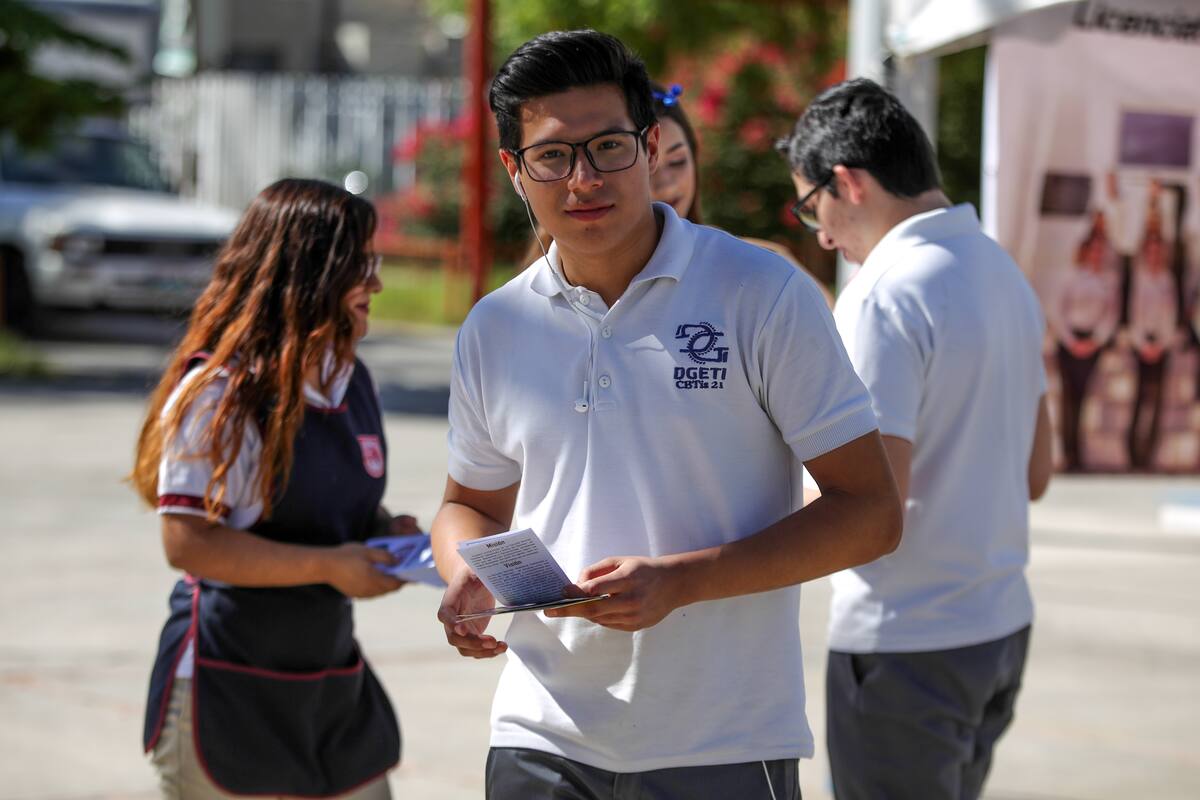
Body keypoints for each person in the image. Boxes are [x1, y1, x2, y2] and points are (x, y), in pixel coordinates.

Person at [431, 30, 902, 800]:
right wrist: (467, 575)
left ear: (651, 147)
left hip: (724, 742)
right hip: (538, 738)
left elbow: (872, 513)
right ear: (516, 171)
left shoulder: (760, 292)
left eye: (608, 146)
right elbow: (467, 505)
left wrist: (682, 581)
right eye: (552, 156)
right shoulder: (497, 326)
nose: (583, 178)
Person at [778, 78, 1053, 800]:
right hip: (998, 624)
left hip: (907, 642)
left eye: (812, 208)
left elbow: (872, 508)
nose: (825, 235)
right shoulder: (1001, 270)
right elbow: (1037, 473)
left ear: (848, 182)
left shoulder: (885, 292)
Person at [130, 178, 415, 799]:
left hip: (326, 683)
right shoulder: (222, 394)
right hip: (228, 685)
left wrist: (386, 535)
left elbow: (331, 513)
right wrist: (329, 565)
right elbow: (188, 544)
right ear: (310, 272)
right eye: (361, 266)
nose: (377, 284)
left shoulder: (348, 377)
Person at [649, 81, 835, 305]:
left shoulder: (763, 263)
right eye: (648, 168)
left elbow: (835, 326)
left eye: (678, 161)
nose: (667, 184)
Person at [1048, 210, 1121, 470]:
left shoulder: (1108, 280)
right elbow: (1058, 310)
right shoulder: (1071, 276)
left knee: (1084, 397)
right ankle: (1069, 452)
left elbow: (1110, 314)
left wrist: (1095, 341)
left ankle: (1080, 451)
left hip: (1092, 342)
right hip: (1070, 341)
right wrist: (1071, 341)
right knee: (1069, 398)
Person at [1127, 221, 1179, 469]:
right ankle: (1133, 453)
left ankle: (1149, 454)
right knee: (1139, 398)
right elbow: (1133, 311)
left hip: (1161, 344)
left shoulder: (1168, 279)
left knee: (1157, 399)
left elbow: (1171, 314)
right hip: (1142, 343)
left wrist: (1162, 344)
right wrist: (1142, 344)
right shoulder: (1139, 278)